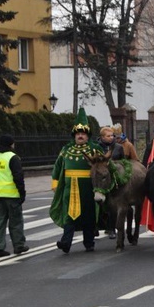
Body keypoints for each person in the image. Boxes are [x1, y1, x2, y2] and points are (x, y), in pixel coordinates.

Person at [50, 108, 105, 254]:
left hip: (88, 188)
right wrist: (55, 182)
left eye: (83, 134)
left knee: (88, 215)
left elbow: (103, 166)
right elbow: (57, 167)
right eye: (78, 134)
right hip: (70, 190)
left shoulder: (95, 149)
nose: (80, 136)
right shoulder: (66, 150)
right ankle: (65, 243)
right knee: (69, 217)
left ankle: (89, 243)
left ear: (87, 136)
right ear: (74, 135)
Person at [0, 134, 28, 258]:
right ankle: (18, 246)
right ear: (11, 144)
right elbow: (18, 177)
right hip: (12, 196)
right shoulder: (13, 157)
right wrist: (22, 193)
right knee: (16, 222)